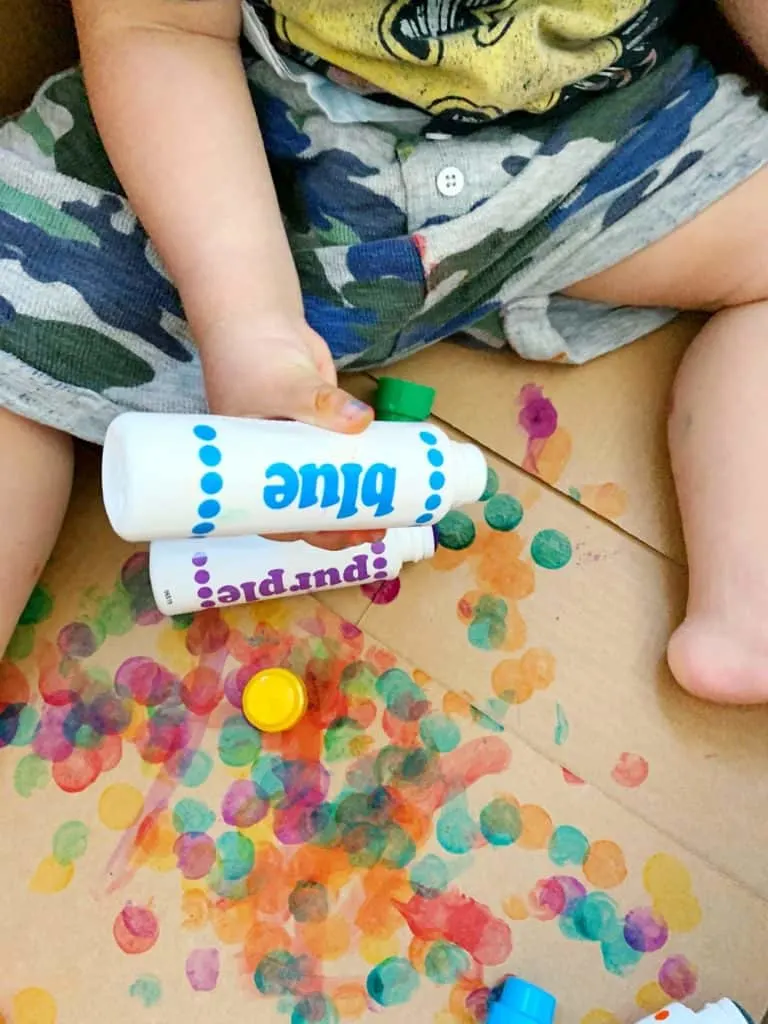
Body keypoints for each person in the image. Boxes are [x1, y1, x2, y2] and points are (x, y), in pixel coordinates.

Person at [1, 0, 768, 703]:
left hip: (592, 148)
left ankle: (749, 601)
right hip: (236, 161)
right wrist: (248, 322)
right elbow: (159, 29)